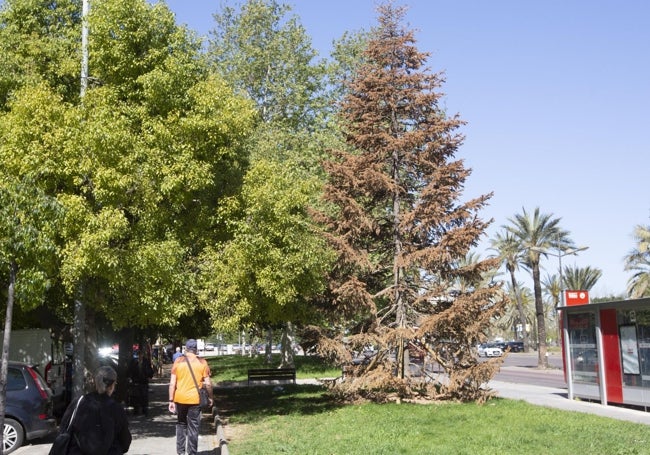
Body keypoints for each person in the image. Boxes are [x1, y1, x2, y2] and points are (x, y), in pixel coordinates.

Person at [56, 366, 131, 455]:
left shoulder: (78, 402)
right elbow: (125, 442)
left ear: (95, 383)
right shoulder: (116, 409)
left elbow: (64, 429)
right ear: (112, 386)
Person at [168, 339, 213, 455]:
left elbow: (172, 383)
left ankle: (180, 452)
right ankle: (192, 453)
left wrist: (171, 400)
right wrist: (211, 397)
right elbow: (208, 384)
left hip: (180, 398)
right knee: (194, 427)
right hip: (195, 400)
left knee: (181, 424)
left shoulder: (178, 361)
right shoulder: (202, 362)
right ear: (196, 349)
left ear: (186, 349)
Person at [128, 349, 154, 415]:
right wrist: (130, 377)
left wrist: (149, 375)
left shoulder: (146, 361)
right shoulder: (133, 361)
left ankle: (144, 409)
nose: (140, 356)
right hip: (136, 381)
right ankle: (136, 410)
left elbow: (150, 370)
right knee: (135, 397)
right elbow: (130, 370)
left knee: (144, 396)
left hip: (144, 381)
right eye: (139, 354)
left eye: (141, 354)